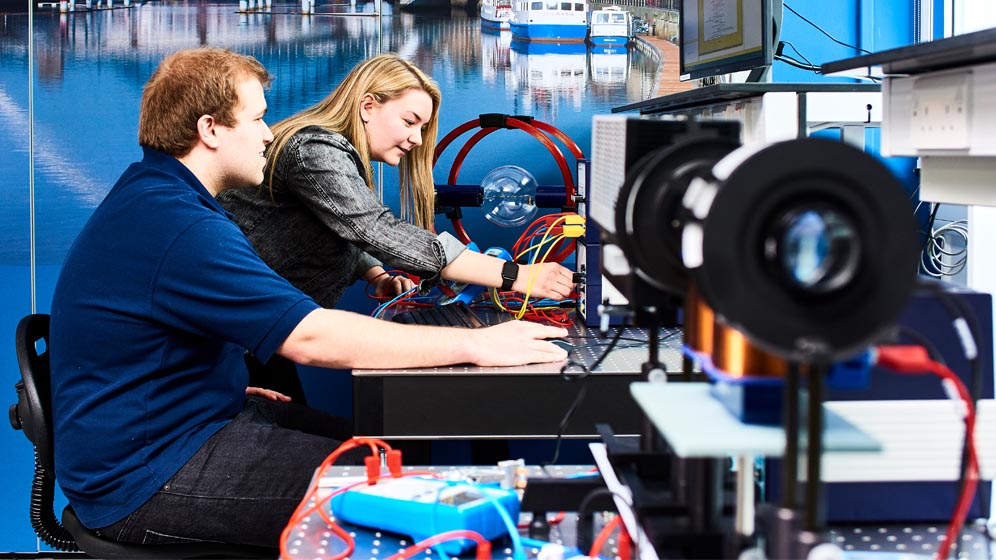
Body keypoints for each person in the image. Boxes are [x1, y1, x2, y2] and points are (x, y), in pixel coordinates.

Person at [48, 47, 568, 549]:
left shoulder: (158, 197)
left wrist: (219, 388)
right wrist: (478, 346)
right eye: (256, 119)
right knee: (413, 501)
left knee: (388, 457)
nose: (269, 134)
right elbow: (312, 337)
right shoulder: (178, 225)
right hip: (147, 476)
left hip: (182, 429)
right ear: (210, 129)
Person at [216, 53, 575, 313]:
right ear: (368, 106)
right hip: (233, 332)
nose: (418, 139)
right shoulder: (315, 148)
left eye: (422, 128)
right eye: (409, 121)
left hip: (256, 329)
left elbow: (328, 225)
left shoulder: (329, 152)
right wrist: (515, 275)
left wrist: (374, 273)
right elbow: (373, 228)